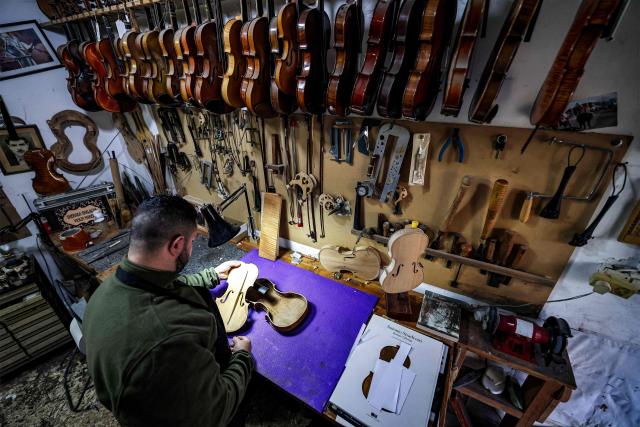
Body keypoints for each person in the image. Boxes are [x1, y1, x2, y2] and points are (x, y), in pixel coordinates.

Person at [83, 195, 254, 427]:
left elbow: (162, 283)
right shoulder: (169, 341)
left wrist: (211, 275)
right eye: (192, 241)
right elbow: (217, 410)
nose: (192, 248)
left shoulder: (105, 291)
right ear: (176, 245)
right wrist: (243, 357)